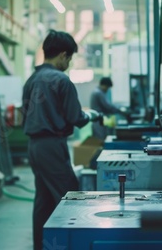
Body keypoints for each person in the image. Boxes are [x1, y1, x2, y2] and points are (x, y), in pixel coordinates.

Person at [21, 30, 101, 250]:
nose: (69, 63)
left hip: (35, 147)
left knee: (44, 201)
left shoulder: (32, 80)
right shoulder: (61, 80)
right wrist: (91, 115)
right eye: (70, 58)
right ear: (63, 55)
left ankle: (42, 246)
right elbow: (76, 117)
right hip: (52, 145)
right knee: (69, 196)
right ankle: (72, 246)